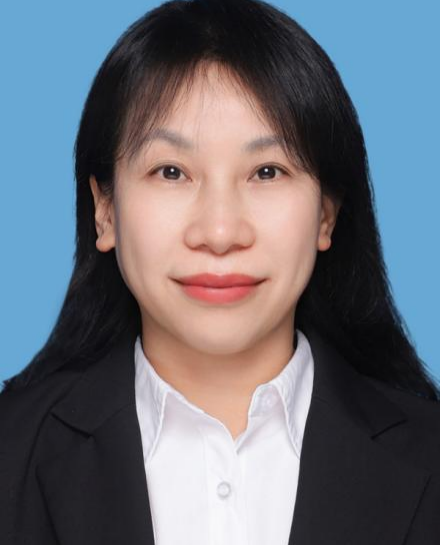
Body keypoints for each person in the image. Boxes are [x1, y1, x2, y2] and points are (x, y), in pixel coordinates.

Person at [1, 0, 439, 543]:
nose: (220, 232)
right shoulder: (11, 452)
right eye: (171, 171)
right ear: (105, 211)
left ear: (326, 214)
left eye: (267, 171)